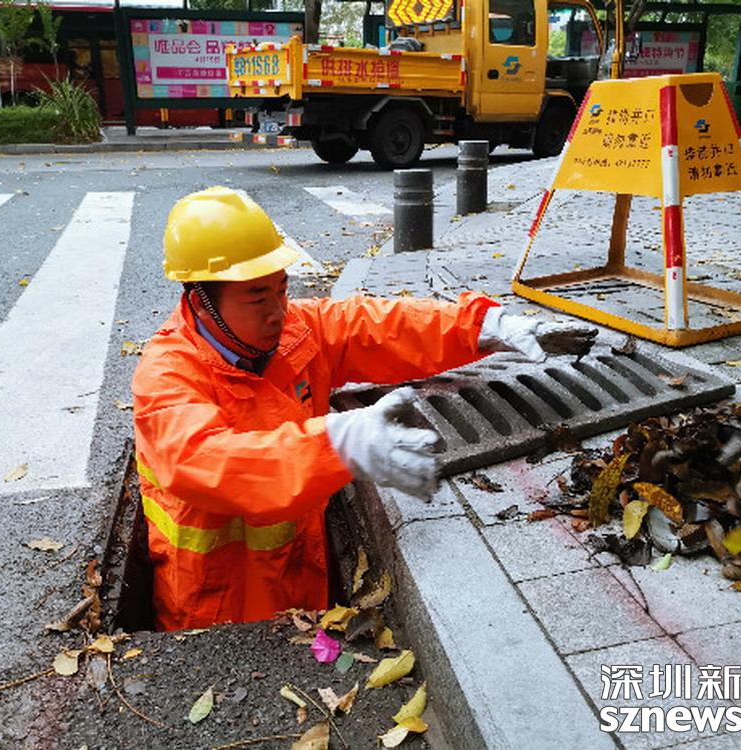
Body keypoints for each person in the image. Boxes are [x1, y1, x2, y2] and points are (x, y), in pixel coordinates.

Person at [132, 187, 597, 631]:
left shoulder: (292, 331)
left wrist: (488, 327)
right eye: (257, 297)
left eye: (281, 289)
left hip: (304, 592)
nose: (277, 310)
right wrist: (340, 443)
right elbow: (204, 460)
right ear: (201, 301)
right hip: (218, 621)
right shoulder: (167, 374)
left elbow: (378, 327)